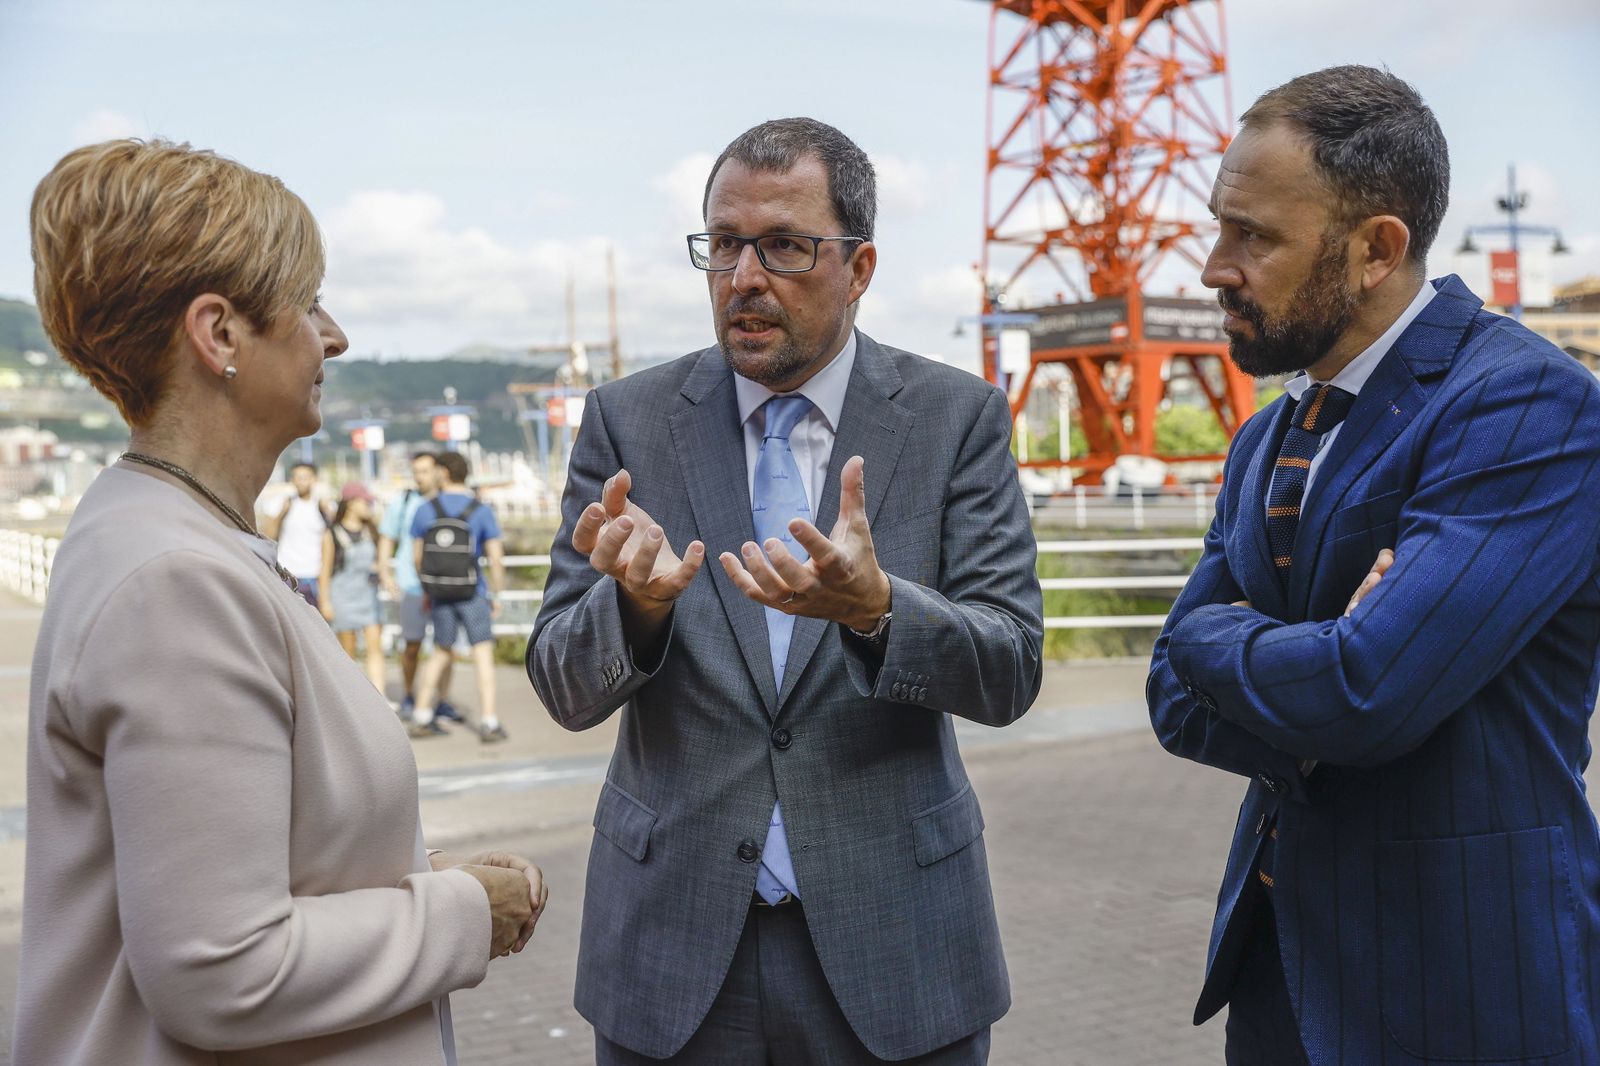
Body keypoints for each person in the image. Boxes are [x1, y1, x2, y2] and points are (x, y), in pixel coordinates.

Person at [15, 138, 548, 1066]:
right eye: (306, 304)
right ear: (219, 334)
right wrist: (464, 913)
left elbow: (237, 866)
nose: (332, 336)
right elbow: (223, 969)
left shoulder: (165, 535)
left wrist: (408, 881)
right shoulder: (177, 582)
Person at [528, 118, 1043, 1064]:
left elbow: (1009, 668)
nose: (744, 278)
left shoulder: (953, 418)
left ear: (861, 265)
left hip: (899, 947)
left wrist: (880, 612)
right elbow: (561, 684)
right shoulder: (628, 422)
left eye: (785, 246)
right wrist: (634, 611)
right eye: (723, 245)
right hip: (673, 953)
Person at [1147, 65, 1600, 1064]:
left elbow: (1367, 690)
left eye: (1253, 236)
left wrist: (1257, 657)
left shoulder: (1528, 404)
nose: (1214, 265)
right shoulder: (1263, 439)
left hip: (1462, 984)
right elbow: (1169, 690)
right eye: (1219, 227)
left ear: (1375, 250)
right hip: (1276, 980)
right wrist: (1309, 670)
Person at [409, 449, 508, 743]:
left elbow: (418, 557)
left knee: (441, 651)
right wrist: (496, 593)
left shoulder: (425, 509)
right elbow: (496, 559)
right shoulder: (481, 510)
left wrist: (429, 586)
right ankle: (489, 721)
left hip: (440, 593)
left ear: (444, 472)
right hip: (472, 592)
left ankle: (421, 715)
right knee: (482, 653)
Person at [378, 450, 459, 721]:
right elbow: (387, 537)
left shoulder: (449, 501)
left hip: (445, 586)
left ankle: (443, 700)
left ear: (439, 471)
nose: (419, 477)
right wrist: (385, 572)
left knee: (446, 646)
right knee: (411, 645)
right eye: (416, 472)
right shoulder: (404, 501)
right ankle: (410, 693)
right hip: (412, 585)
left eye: (424, 471)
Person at [321, 481, 389, 701]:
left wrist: (383, 573)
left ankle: (379, 697)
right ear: (350, 503)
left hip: (368, 595)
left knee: (374, 646)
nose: (368, 506)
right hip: (343, 597)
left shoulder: (372, 531)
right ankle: (352, 698)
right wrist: (325, 602)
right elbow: (325, 570)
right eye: (365, 501)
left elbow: (379, 560)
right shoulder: (332, 534)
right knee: (347, 651)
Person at [266, 460, 330, 607]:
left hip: (313, 576)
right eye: (297, 477)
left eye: (305, 477)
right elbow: (268, 535)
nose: (301, 482)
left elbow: (329, 543)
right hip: (287, 574)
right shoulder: (281, 504)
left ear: (314, 479)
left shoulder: (321, 506)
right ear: (292, 480)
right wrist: (282, 513)